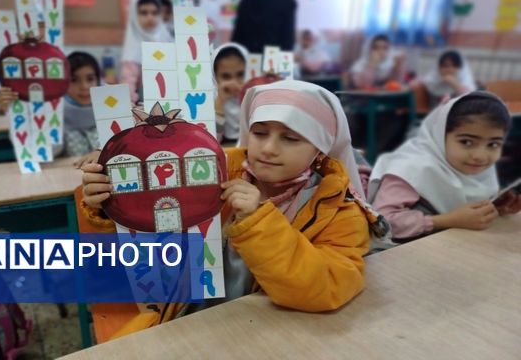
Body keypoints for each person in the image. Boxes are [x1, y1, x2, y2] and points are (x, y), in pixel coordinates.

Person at [78, 80, 392, 338]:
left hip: (279, 335)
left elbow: (326, 287)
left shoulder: (339, 210)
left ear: (320, 148)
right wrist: (112, 205)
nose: (269, 148)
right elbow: (149, 240)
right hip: (188, 317)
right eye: (259, 133)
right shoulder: (212, 171)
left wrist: (257, 221)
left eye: (291, 138)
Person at [368, 91, 521, 242]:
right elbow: (381, 223)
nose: (480, 155)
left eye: (493, 144)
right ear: (439, 135)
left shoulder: (478, 169)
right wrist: (446, 220)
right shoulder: (411, 169)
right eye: (466, 142)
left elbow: (464, 212)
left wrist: (496, 209)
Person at [0, 51, 101, 157]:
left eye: (90, 79)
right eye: (74, 80)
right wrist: (18, 112)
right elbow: (38, 153)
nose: (84, 86)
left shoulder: (109, 111)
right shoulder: (53, 113)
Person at [120, 0, 173, 105]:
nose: (150, 17)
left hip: (171, 102)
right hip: (144, 106)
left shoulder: (168, 40)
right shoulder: (132, 48)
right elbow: (128, 85)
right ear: (135, 16)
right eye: (144, 13)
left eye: (155, 13)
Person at [212, 43, 248, 143]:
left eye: (241, 74)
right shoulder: (209, 99)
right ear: (215, 77)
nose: (234, 82)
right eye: (226, 76)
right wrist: (220, 101)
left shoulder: (255, 93)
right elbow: (212, 140)